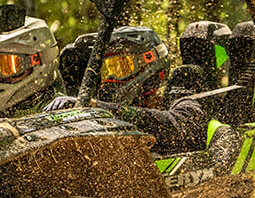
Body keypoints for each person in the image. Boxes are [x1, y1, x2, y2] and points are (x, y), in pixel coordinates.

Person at [45, 25, 215, 154]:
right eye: (108, 69)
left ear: (150, 61)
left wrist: (98, 107)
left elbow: (178, 127)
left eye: (122, 66)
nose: (112, 78)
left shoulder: (178, 89)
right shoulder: (110, 99)